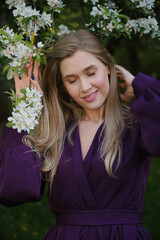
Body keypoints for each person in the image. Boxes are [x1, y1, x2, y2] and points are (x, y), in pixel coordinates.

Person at [0, 29, 160, 240]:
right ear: (63, 85)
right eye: (72, 80)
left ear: (108, 67)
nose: (85, 87)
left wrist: (140, 86)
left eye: (91, 73)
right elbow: (15, 190)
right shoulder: (54, 131)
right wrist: (24, 108)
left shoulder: (136, 124)